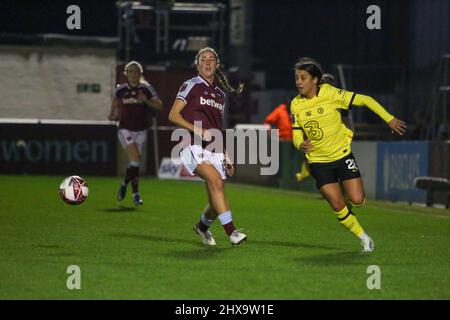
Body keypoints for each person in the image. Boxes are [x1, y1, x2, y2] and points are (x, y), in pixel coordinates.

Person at [291, 57, 407, 252]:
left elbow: (366, 100)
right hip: (318, 162)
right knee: (336, 205)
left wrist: (389, 119)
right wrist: (299, 144)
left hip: (342, 156)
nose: (299, 82)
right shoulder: (296, 104)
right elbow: (295, 131)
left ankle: (347, 206)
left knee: (357, 200)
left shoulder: (331, 93)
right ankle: (364, 238)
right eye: (296, 78)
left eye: (303, 78)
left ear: (316, 80)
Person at [168, 47, 247, 246]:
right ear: (197, 64)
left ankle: (201, 227)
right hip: (191, 145)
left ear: (217, 65)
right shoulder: (191, 84)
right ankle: (232, 233)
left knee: (215, 197)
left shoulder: (220, 95)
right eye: (203, 59)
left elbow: (216, 128)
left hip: (214, 149)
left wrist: (226, 155)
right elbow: (173, 115)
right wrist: (196, 129)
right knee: (215, 181)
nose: (208, 62)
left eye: (211, 59)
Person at [108, 60, 163, 205]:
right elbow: (115, 101)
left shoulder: (147, 89)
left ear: (140, 74)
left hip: (141, 129)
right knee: (135, 158)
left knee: (134, 162)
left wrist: (146, 101)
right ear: (126, 74)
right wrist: (112, 113)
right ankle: (136, 194)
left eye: (136, 71)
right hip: (125, 128)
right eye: (130, 71)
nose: (133, 74)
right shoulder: (120, 89)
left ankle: (124, 185)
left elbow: (159, 105)